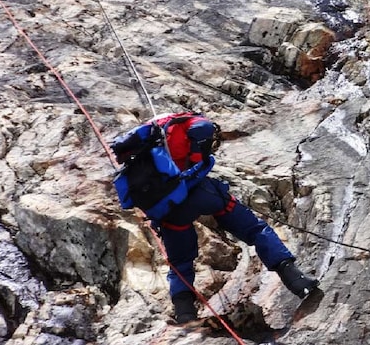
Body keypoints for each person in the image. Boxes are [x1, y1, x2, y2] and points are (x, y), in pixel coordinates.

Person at [111, 112, 319, 324]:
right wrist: (198, 160)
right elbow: (202, 129)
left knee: (181, 261)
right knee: (255, 231)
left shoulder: (143, 146)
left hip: (169, 211)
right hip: (202, 193)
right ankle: (296, 280)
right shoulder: (186, 120)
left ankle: (185, 314)